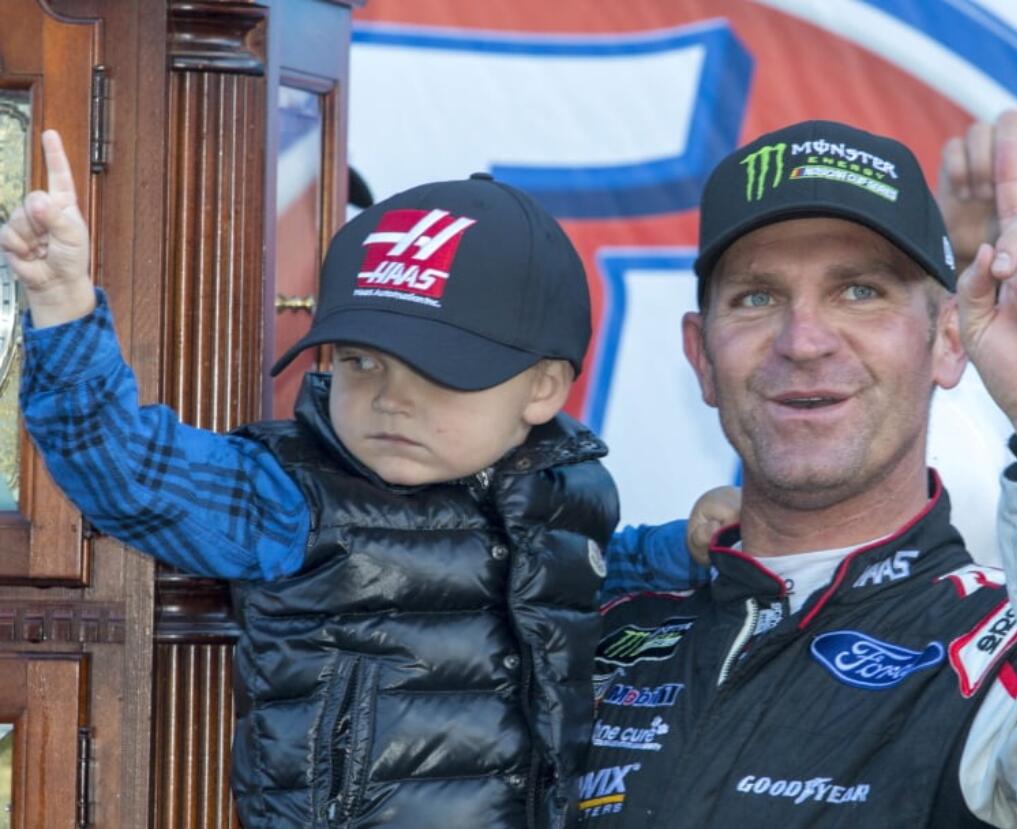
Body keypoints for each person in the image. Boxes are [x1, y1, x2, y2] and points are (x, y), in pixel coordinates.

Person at [0, 134, 689, 828]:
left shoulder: (572, 491)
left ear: (542, 388)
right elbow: (121, 465)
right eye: (362, 361)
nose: (391, 397)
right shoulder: (294, 496)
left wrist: (683, 546)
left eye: (439, 368)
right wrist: (63, 302)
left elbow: (590, 568)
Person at [577, 115, 1017, 826]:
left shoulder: (1012, 649)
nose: (804, 341)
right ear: (702, 357)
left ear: (949, 341)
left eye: (860, 291)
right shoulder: (597, 634)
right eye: (757, 296)